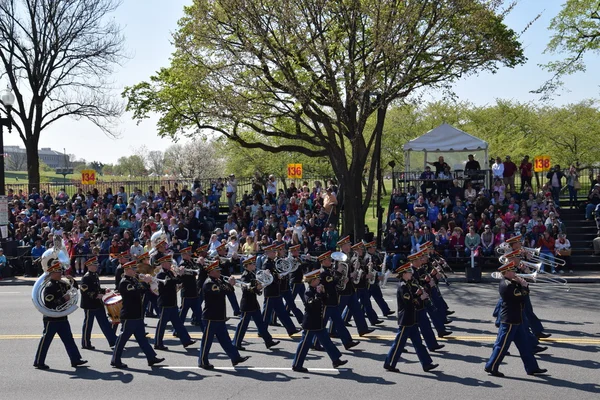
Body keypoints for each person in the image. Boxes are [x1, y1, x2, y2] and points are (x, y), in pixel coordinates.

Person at [485, 261, 547, 377]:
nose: (515, 272)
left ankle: (532, 368)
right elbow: (521, 297)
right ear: (506, 272)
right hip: (509, 320)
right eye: (512, 271)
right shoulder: (507, 285)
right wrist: (524, 286)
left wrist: (522, 284)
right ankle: (491, 366)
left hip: (516, 319)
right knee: (502, 346)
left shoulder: (512, 282)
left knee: (525, 346)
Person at [383, 262, 439, 373]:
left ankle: (426, 363)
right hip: (406, 319)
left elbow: (412, 298)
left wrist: (419, 294)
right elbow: (409, 304)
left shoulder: (408, 284)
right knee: (399, 344)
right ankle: (389, 363)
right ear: (403, 274)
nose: (411, 273)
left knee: (418, 343)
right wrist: (420, 298)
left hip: (412, 319)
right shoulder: (403, 287)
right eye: (409, 272)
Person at [291, 269, 349, 373]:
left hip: (318, 322)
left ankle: (336, 360)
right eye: (317, 279)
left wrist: (322, 293)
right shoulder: (308, 292)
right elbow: (311, 304)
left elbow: (325, 300)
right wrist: (318, 294)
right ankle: (296, 364)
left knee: (327, 342)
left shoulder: (318, 289)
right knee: (304, 344)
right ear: (312, 281)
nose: (319, 280)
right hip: (310, 323)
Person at [33, 261, 88, 370]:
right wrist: (64, 299)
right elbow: (50, 304)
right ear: (52, 273)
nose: (60, 273)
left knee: (69, 339)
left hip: (62, 317)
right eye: (58, 271)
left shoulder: (62, 283)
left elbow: (75, 288)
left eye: (60, 270)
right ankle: (39, 361)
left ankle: (75, 359)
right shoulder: (49, 287)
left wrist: (72, 279)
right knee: (46, 341)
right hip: (51, 319)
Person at [110, 260, 165, 369]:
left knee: (142, 339)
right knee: (122, 340)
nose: (135, 271)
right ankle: (115, 360)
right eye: (133, 269)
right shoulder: (125, 282)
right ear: (127, 270)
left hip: (137, 314)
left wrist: (148, 282)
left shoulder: (133, 280)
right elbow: (137, 292)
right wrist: (146, 281)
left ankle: (151, 357)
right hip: (129, 315)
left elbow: (144, 290)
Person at [198, 260, 250, 369]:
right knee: (207, 341)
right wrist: (228, 284)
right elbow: (219, 291)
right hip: (210, 317)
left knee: (225, 340)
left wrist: (230, 285)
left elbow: (228, 291)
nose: (219, 272)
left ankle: (235, 357)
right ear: (211, 272)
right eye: (217, 271)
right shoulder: (209, 283)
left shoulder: (218, 281)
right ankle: (202, 361)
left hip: (219, 316)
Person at [232, 256, 280, 350]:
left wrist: (265, 279)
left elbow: (257, 287)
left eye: (254, 263)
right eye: (252, 264)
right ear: (247, 266)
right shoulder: (245, 275)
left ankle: (268, 341)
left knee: (261, 324)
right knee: (243, 325)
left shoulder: (253, 274)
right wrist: (255, 288)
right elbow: (245, 288)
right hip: (247, 304)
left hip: (253, 303)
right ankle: (236, 343)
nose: (254, 265)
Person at [153, 254, 197, 350]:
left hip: (172, 302)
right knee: (162, 325)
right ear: (163, 263)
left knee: (178, 323)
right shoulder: (161, 274)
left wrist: (179, 276)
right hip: (165, 303)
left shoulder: (169, 272)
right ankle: (157, 343)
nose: (170, 264)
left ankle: (186, 340)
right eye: (169, 262)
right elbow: (173, 282)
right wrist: (180, 275)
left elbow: (177, 281)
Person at [80, 257, 117, 350]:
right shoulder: (86, 277)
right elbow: (85, 292)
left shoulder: (95, 275)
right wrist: (97, 295)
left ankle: (113, 341)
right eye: (94, 265)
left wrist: (104, 291)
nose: (96, 266)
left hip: (97, 303)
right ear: (89, 266)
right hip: (89, 305)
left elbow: (96, 288)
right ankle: (85, 343)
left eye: (96, 264)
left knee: (104, 323)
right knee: (88, 325)